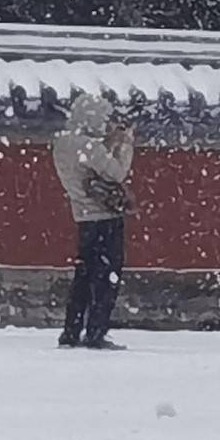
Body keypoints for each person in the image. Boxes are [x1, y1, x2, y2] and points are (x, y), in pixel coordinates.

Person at [51, 89, 137, 349]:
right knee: (106, 276)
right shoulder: (89, 146)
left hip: (83, 216)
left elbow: (85, 169)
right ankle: (96, 332)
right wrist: (125, 145)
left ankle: (71, 330)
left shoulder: (63, 143)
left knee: (83, 276)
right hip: (106, 217)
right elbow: (117, 173)